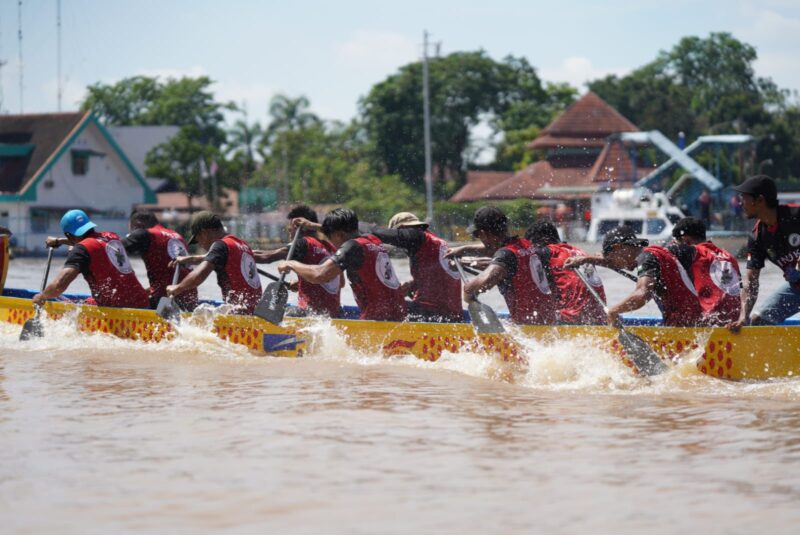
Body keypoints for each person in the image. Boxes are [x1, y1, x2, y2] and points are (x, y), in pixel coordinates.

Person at [276, 208, 406, 321]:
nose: (333, 246)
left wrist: (291, 264)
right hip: (398, 316)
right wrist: (312, 225)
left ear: (339, 235)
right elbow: (340, 232)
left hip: (378, 322)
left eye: (330, 238)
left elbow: (320, 275)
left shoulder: (351, 247)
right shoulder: (373, 240)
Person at [565, 225, 703, 327]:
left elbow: (642, 294)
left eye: (613, 259)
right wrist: (584, 259)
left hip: (692, 330)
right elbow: (614, 262)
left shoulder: (647, 258)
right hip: (692, 325)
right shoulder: (655, 256)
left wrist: (613, 311)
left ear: (618, 248)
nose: (617, 266)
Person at [456, 206, 559, 325]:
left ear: (484, 233)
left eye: (478, 236)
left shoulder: (506, 255)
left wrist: (469, 297)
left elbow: (480, 284)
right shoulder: (529, 245)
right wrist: (464, 250)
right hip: (550, 325)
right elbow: (500, 256)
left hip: (527, 329)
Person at [34, 209, 149, 309]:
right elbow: (92, 242)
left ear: (69, 234)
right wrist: (59, 241)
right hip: (142, 301)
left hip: (117, 307)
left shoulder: (81, 249)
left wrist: (42, 296)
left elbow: (59, 286)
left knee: (71, 309)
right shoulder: (111, 237)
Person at [730, 175, 800, 329]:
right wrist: (743, 317)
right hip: (796, 289)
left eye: (744, 198)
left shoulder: (796, 215)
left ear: (760, 200)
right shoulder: (757, 237)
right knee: (759, 322)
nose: (741, 203)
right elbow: (751, 283)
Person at [366, 212, 462, 322]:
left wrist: (355, 226)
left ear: (401, 229)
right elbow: (440, 277)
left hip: (432, 315)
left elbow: (378, 233)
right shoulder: (435, 242)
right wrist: (414, 284)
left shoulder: (416, 236)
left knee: (380, 306)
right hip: (453, 316)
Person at [253, 205, 342, 318]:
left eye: (290, 229)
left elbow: (267, 257)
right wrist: (302, 282)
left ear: (299, 226)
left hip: (309, 315)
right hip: (334, 315)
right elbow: (340, 283)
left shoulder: (303, 243)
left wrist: (243, 252)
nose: (289, 233)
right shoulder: (332, 249)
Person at [166, 211, 262, 314]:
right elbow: (213, 257)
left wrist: (178, 288)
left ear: (204, 233)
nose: (200, 245)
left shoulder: (219, 245)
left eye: (198, 240)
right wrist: (189, 259)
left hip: (239, 315)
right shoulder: (241, 244)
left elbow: (200, 274)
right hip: (256, 311)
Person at [525, 219, 607, 325]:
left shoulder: (548, 252)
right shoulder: (580, 252)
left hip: (571, 319)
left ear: (543, 240)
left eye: (532, 245)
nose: (531, 249)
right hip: (599, 318)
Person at [671, 217, 741, 326]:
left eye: (677, 242)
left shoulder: (693, 253)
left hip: (708, 323)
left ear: (686, 240)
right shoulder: (730, 257)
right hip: (735, 321)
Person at [123, 211, 198, 311]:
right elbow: (170, 270)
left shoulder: (145, 234)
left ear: (138, 225)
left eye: (132, 230)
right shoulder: (176, 235)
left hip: (165, 301)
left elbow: (112, 248)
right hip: (190, 300)